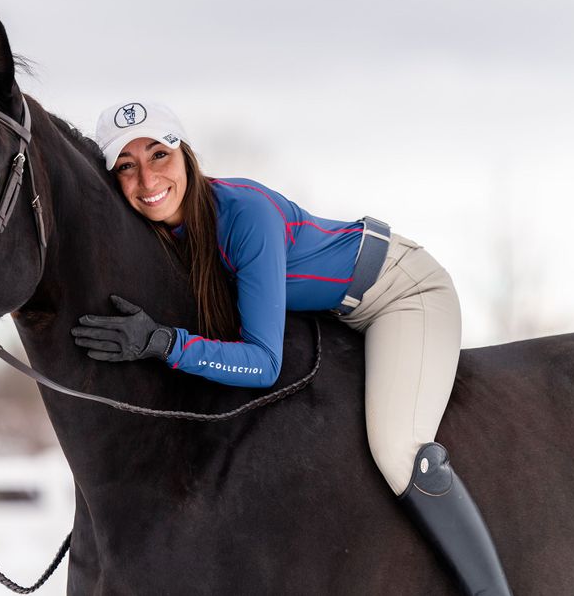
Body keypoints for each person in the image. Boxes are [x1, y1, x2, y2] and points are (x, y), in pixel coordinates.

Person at [70, 100, 512, 595]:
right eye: (126, 166)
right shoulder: (166, 230)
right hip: (332, 314)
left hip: (400, 293)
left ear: (186, 156)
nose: (148, 180)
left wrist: (163, 342)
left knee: (398, 449)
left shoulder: (243, 216)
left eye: (158, 155)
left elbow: (263, 364)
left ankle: (490, 591)